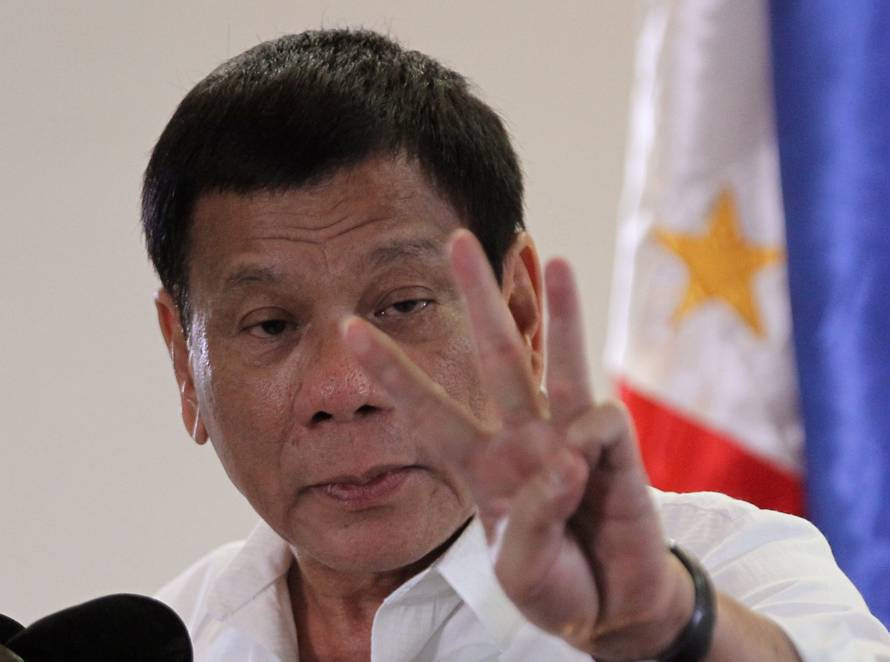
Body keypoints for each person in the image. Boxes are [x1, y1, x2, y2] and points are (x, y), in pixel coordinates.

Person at [146, 29, 890, 661]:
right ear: (186, 362)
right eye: (272, 325)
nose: (344, 390)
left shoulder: (724, 574)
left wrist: (669, 625)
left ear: (521, 311)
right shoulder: (170, 637)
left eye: (403, 305)